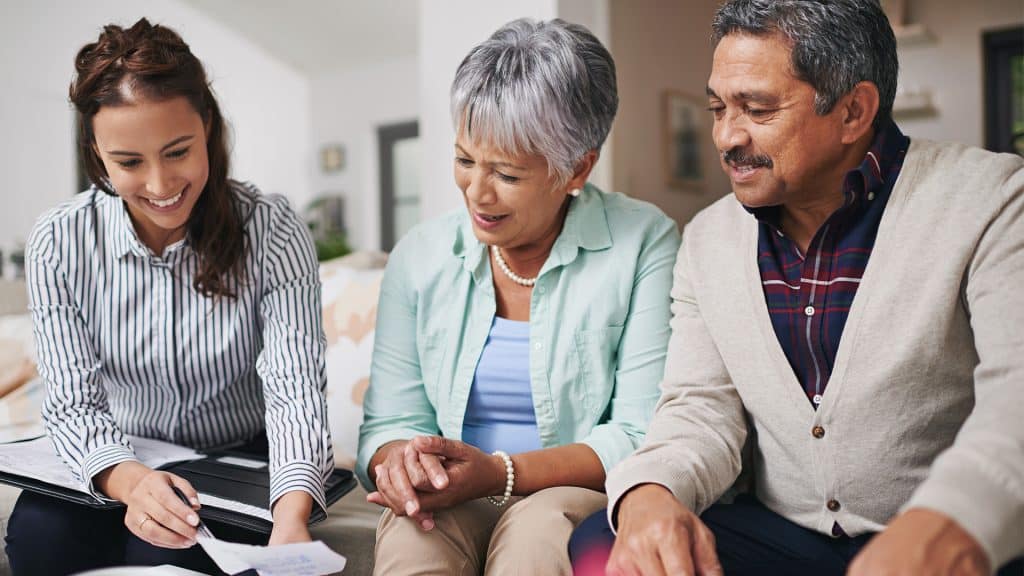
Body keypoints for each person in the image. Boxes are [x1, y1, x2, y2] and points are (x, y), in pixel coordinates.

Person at [569, 1, 1024, 575]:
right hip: (783, 539)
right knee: (600, 544)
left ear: (854, 111)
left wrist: (951, 520)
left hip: (947, 533)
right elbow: (699, 408)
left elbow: (1017, 398)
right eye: (717, 108)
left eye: (756, 109)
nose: (727, 137)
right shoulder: (708, 239)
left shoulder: (993, 200)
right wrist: (650, 494)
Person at [5, 18, 333, 575]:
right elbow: (72, 403)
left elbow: (295, 391)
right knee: (39, 537)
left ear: (207, 126)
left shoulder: (273, 229)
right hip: (121, 454)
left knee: (165, 548)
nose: (160, 185)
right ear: (97, 153)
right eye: (129, 162)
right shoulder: (58, 240)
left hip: (237, 456)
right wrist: (131, 482)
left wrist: (291, 520)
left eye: (178, 151)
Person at [356, 17, 680, 575]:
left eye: (505, 173)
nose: (476, 192)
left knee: (536, 535)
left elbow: (639, 435)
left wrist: (501, 473)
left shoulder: (644, 243)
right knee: (413, 539)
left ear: (577, 167)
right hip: (455, 490)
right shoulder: (421, 255)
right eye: (464, 160)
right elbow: (390, 421)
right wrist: (401, 463)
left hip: (573, 490)